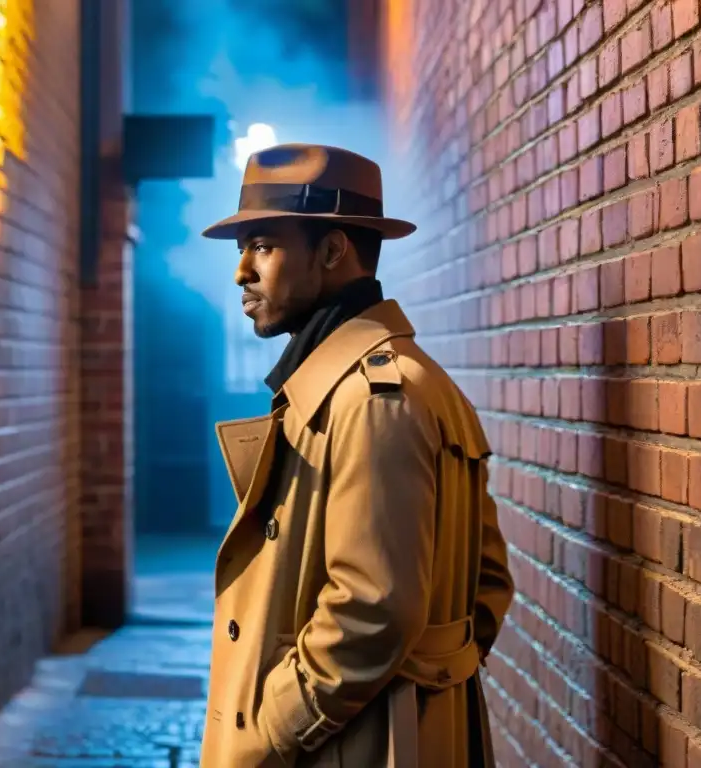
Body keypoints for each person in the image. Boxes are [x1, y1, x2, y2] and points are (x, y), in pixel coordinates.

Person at [198, 144, 515, 767]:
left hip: (355, 746)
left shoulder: (372, 400)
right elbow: (489, 586)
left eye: (262, 245)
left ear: (333, 250)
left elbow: (372, 609)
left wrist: (271, 728)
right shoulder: (385, 383)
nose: (241, 271)